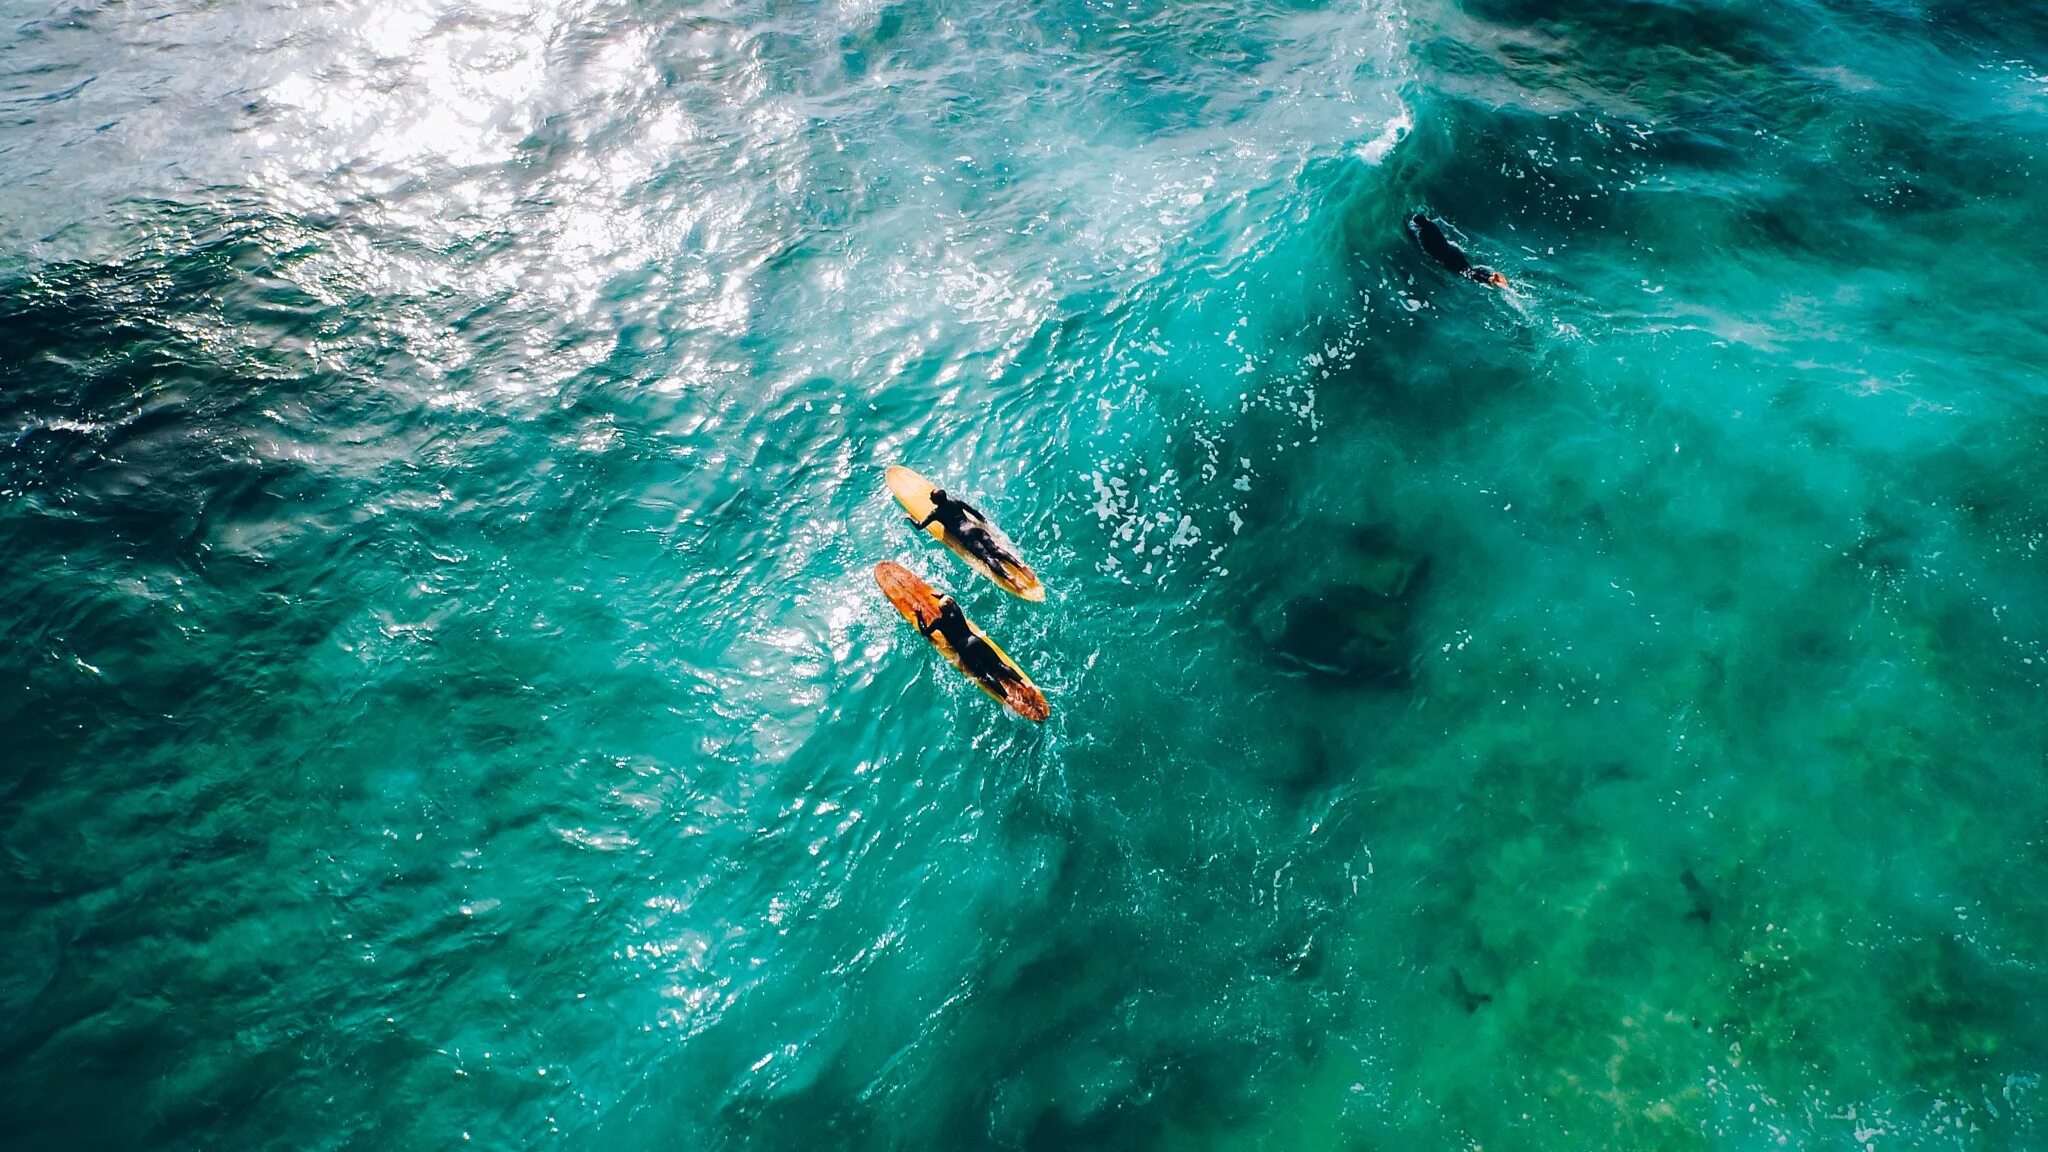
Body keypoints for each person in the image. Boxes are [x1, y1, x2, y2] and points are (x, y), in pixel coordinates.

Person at [913, 488, 1015, 579]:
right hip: (975, 527)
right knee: (995, 549)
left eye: (931, 498)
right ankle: (1020, 566)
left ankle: (1010, 578)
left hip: (965, 535)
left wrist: (909, 517)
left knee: (987, 557)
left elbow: (920, 526)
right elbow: (974, 512)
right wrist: (985, 523)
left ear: (935, 502)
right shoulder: (955, 501)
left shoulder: (935, 513)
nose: (930, 499)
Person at [920, 595, 1016, 688]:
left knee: (985, 674)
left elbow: (925, 632)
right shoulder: (957, 610)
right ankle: (1025, 684)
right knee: (999, 665)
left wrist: (919, 615)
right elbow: (951, 601)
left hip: (964, 649)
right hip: (975, 641)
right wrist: (942, 596)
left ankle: (1009, 699)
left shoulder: (938, 622)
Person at [1406, 213, 1509, 288]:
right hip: (1453, 251)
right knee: (1469, 268)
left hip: (1447, 258)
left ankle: (1490, 280)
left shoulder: (1422, 235)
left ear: (1419, 225)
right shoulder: (1432, 225)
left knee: (1466, 273)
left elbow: (1428, 250)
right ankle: (1491, 275)